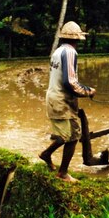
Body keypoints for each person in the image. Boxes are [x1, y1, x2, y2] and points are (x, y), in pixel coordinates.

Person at [39, 21, 95, 182]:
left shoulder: (58, 51)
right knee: (72, 136)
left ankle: (46, 154)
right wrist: (88, 91)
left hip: (53, 97)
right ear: (76, 39)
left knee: (64, 134)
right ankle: (63, 173)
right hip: (62, 101)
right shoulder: (70, 52)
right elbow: (69, 82)